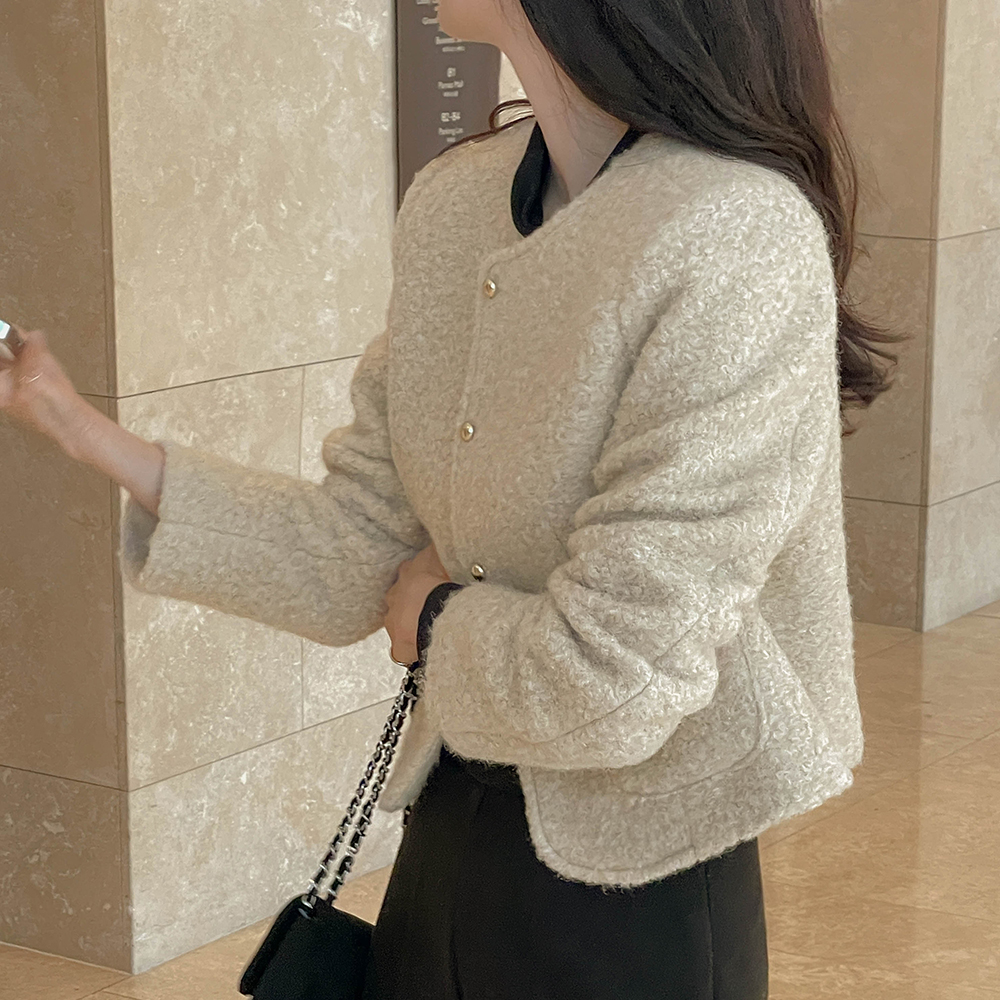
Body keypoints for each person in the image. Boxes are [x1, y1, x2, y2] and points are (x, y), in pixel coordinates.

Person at [1, 0, 909, 996]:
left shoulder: (734, 234)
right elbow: (356, 548)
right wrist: (82, 431)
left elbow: (621, 678)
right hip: (449, 832)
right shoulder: (456, 203)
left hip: (637, 879)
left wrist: (436, 618)